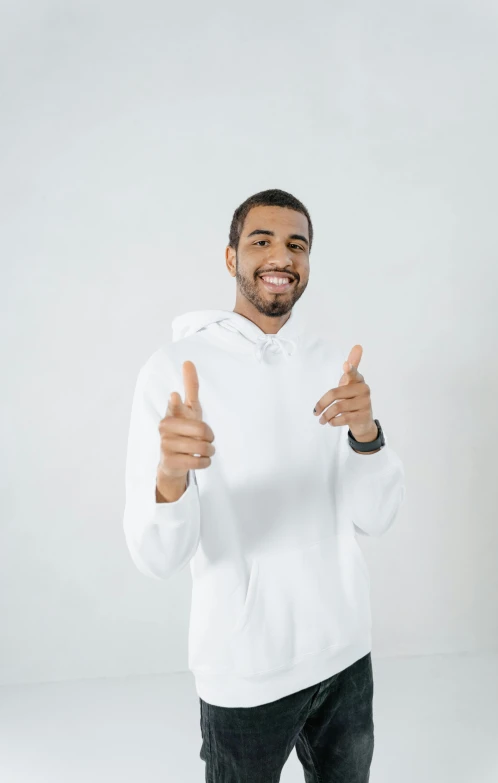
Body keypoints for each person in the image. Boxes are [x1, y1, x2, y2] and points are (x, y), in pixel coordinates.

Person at [123, 188, 406, 782]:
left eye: (296, 245)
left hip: (345, 652)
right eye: (261, 241)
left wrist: (366, 433)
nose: (281, 256)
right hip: (245, 668)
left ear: (306, 265)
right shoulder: (174, 370)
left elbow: (377, 516)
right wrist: (171, 477)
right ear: (231, 259)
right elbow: (156, 557)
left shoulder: (335, 364)